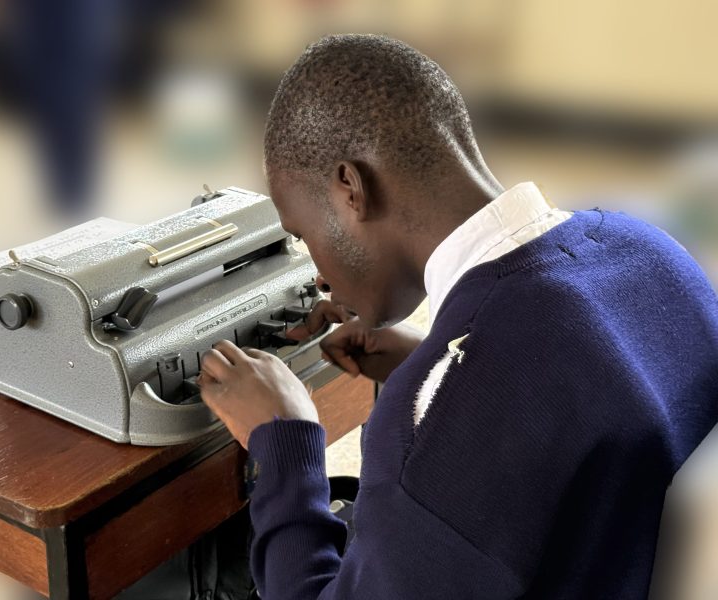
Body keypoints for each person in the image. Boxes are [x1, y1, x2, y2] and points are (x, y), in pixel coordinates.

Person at [197, 34, 718, 599]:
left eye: (303, 234)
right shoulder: (652, 250)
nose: (319, 274)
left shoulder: (436, 412)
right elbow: (558, 394)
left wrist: (285, 443)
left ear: (351, 188)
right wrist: (429, 362)